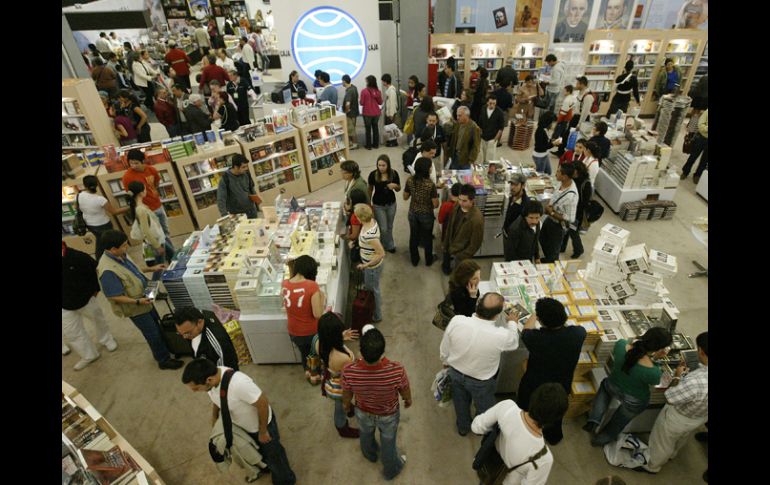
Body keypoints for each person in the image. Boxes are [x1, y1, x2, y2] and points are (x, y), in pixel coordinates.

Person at [182, 358, 297, 484]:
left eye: (196, 388)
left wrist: (263, 431)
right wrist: (214, 417)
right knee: (258, 452)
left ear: (209, 380)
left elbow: (263, 403)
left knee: (275, 457)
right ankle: (266, 468)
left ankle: (285, 480)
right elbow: (218, 398)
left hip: (260, 427)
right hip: (242, 426)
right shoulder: (212, 384)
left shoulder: (239, 383)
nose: (194, 391)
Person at [97, 230, 182, 370]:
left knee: (158, 325)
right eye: (124, 245)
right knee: (152, 333)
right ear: (113, 249)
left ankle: (169, 348)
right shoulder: (107, 270)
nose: (127, 247)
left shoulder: (120, 255)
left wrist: (151, 269)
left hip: (145, 297)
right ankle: (163, 360)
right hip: (136, 308)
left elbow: (133, 270)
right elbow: (113, 295)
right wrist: (137, 302)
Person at [440, 292, 519, 436]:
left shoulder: (457, 321)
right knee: (484, 407)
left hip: (456, 373)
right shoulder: (500, 336)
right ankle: (480, 429)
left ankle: (463, 427)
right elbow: (514, 342)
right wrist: (512, 322)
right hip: (481, 381)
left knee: (460, 402)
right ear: (497, 315)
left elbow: (445, 346)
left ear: (478, 305)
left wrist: (445, 362)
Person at [341, 328, 411, 481]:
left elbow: (346, 393)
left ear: (360, 350)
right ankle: (391, 469)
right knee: (388, 442)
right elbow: (404, 389)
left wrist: (346, 405)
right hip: (388, 415)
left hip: (362, 411)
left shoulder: (349, 370)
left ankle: (370, 454)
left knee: (365, 434)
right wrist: (408, 400)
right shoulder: (396, 370)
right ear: (382, 351)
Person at [584, 327, 672, 446]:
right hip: (634, 399)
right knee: (619, 422)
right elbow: (655, 381)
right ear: (659, 349)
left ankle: (594, 419)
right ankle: (600, 440)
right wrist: (656, 359)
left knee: (605, 386)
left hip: (613, 385)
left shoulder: (621, 345)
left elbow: (632, 355)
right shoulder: (653, 371)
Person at [515, 298, 586, 445]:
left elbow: (526, 331)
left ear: (541, 321)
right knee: (554, 413)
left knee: (526, 411)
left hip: (534, 386)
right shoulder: (578, 334)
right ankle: (553, 437)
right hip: (560, 386)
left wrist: (535, 313)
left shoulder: (536, 338)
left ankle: (524, 435)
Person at [471, 383, 568, 485]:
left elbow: (476, 427)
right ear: (554, 419)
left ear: (534, 397)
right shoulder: (543, 459)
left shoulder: (507, 407)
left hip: (487, 467)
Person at [644, 332, 708, 474]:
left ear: (702, 352)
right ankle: (673, 454)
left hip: (678, 417)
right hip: (700, 417)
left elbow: (670, 397)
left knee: (662, 442)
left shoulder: (695, 383)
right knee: (682, 437)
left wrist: (678, 376)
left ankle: (653, 465)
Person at [62, 242, 118, 371]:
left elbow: (95, 270)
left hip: (86, 299)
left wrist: (95, 290)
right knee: (72, 332)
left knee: (98, 320)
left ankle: (106, 339)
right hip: (64, 306)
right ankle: (89, 355)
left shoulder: (78, 256)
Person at [311, 312, 360, 438]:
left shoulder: (317, 340)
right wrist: (347, 402)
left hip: (329, 375)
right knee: (341, 407)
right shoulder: (342, 358)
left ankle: (348, 412)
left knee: (342, 405)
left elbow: (318, 352)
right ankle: (342, 426)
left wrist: (341, 337)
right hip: (340, 385)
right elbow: (347, 381)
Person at [282, 255, 326, 384]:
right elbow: (317, 314)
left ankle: (307, 371)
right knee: (315, 354)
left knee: (304, 353)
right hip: (310, 331)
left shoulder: (285, 284)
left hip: (293, 330)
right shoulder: (312, 286)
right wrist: (322, 298)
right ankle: (315, 376)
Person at [127, 181, 175, 274]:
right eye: (145, 189)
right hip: (156, 241)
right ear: (141, 193)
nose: (146, 191)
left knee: (172, 254)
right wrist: (157, 246)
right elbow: (146, 230)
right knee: (159, 268)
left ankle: (176, 273)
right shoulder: (141, 209)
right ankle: (154, 286)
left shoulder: (140, 206)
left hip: (160, 238)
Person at [79, 175, 129, 262]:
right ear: (97, 184)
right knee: (112, 241)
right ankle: (120, 258)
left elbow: (78, 207)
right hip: (103, 224)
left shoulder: (79, 195)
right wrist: (129, 207)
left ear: (84, 186)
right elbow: (114, 212)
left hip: (90, 224)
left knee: (100, 241)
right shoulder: (100, 199)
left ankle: (99, 260)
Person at [122, 149, 171, 238]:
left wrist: (153, 193)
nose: (133, 166)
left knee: (166, 231)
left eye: (136, 163)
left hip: (158, 205)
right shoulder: (127, 177)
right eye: (131, 163)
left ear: (143, 161)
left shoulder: (152, 170)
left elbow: (157, 183)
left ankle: (170, 249)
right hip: (145, 209)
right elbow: (130, 195)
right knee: (155, 234)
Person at [174, 306, 239, 370]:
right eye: (180, 333)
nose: (184, 337)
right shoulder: (199, 314)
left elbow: (221, 372)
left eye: (188, 332)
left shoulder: (217, 343)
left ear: (200, 322)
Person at [404, 157, 439, 267]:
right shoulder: (430, 185)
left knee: (413, 236)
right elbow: (435, 204)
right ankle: (429, 260)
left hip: (413, 213)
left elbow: (405, 197)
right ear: (427, 170)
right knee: (427, 238)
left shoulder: (410, 180)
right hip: (426, 215)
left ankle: (415, 260)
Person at [442, 184, 484, 275]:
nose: (460, 202)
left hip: (462, 254)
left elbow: (475, 244)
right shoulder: (457, 206)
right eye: (459, 199)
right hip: (451, 244)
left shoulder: (477, 219)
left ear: (472, 200)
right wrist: (446, 242)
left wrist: (462, 256)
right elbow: (450, 226)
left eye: (464, 201)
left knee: (459, 275)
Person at [539, 163, 578, 263]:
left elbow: (570, 218)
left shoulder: (571, 196)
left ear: (564, 176)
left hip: (558, 226)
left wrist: (551, 213)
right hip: (550, 219)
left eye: (558, 171)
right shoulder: (560, 183)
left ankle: (550, 266)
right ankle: (545, 258)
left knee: (553, 251)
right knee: (542, 239)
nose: (555, 173)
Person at [354, 204, 386, 323]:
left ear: (361, 218)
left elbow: (381, 253)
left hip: (372, 268)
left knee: (373, 291)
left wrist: (366, 265)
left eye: (357, 216)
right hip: (370, 266)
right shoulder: (371, 221)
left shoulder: (370, 235)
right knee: (373, 288)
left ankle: (377, 315)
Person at [554, 76, 594, 157]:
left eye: (577, 84)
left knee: (575, 137)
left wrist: (580, 124)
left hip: (581, 119)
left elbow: (585, 112)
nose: (576, 85)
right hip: (575, 117)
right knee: (567, 134)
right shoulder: (580, 93)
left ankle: (569, 153)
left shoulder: (588, 96)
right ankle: (561, 151)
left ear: (582, 84)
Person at [368, 155, 400, 253]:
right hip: (378, 205)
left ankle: (389, 245)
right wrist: (369, 203)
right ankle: (381, 245)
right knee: (383, 228)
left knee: (389, 226)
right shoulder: (373, 175)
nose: (381, 167)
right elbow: (370, 189)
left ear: (388, 165)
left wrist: (395, 186)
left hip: (391, 204)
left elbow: (399, 189)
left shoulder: (394, 174)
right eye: (379, 165)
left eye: (383, 165)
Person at [561, 160, 591, 258]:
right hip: (568, 209)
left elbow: (585, 203)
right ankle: (562, 246)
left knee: (573, 232)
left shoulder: (585, 184)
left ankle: (578, 250)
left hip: (576, 213)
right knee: (565, 228)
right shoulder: (573, 179)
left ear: (577, 171)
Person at [217, 154, 259, 219]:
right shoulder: (225, 179)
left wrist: (257, 201)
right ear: (236, 167)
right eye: (243, 167)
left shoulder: (246, 174)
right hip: (237, 215)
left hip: (251, 211)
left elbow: (251, 188)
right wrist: (225, 216)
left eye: (246, 166)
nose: (246, 169)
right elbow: (221, 199)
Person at [680, 109, 708, 184]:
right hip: (701, 138)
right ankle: (685, 172)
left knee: (705, 160)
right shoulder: (707, 112)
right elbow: (700, 125)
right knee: (693, 156)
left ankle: (697, 175)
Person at [478, 94, 506, 162]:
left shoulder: (499, 112)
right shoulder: (483, 108)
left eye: (494, 104)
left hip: (492, 138)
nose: (492, 105)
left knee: (490, 158)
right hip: (483, 137)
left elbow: (501, 128)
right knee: (482, 156)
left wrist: (495, 139)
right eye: (490, 103)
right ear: (487, 102)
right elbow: (480, 122)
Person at [360, 75, 383, 150]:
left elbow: (362, 103)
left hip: (367, 113)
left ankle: (369, 145)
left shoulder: (364, 91)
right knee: (375, 128)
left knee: (368, 129)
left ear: (368, 82)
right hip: (376, 113)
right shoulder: (378, 91)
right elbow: (380, 102)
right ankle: (376, 145)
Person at [381, 74, 400, 146]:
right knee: (390, 127)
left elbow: (392, 103)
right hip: (389, 112)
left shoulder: (391, 91)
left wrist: (391, 114)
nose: (382, 83)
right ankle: (392, 140)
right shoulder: (389, 90)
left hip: (391, 113)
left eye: (383, 81)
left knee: (392, 127)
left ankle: (394, 141)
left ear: (385, 82)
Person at [342, 74, 360, 149]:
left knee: (351, 129)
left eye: (342, 81)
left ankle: (355, 144)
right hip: (355, 112)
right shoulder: (354, 88)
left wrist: (346, 111)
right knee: (352, 128)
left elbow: (348, 103)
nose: (341, 83)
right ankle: (352, 143)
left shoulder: (349, 91)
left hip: (350, 113)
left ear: (344, 81)